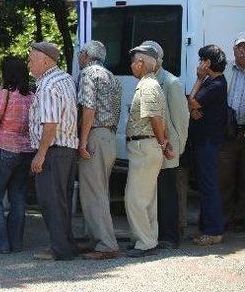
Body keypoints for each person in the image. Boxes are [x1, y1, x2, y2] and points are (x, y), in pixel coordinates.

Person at [27, 42, 78, 261]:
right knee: (62, 200)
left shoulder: (47, 85)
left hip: (53, 150)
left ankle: (60, 249)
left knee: (51, 201)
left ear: (45, 61)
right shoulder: (65, 79)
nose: (29, 64)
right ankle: (66, 245)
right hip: (66, 149)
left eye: (31, 59)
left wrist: (40, 153)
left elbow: (50, 123)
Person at [124, 44, 173, 258]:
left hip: (144, 146)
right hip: (147, 145)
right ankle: (148, 238)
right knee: (147, 197)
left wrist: (163, 143)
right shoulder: (151, 84)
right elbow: (160, 118)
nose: (131, 66)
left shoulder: (147, 86)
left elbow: (155, 118)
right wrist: (164, 142)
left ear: (141, 63)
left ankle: (144, 241)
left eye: (133, 62)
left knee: (134, 197)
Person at [76, 41, 122, 260]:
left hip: (95, 135)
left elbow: (89, 108)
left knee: (93, 192)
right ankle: (98, 238)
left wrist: (82, 141)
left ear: (85, 55)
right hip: (110, 136)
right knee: (101, 190)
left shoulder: (88, 74)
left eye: (80, 53)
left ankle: (105, 244)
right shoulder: (111, 76)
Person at [141, 41, 189, 249]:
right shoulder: (146, 80)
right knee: (153, 192)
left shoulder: (171, 82)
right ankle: (157, 233)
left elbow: (180, 120)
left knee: (167, 192)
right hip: (151, 147)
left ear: (156, 60)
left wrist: (177, 148)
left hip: (168, 148)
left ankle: (170, 236)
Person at [0, 56, 34, 254]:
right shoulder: (32, 96)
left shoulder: (3, 94)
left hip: (4, 149)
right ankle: (16, 243)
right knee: (18, 196)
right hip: (26, 151)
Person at [188, 44, 228, 246]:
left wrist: (198, 79)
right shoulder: (211, 82)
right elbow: (193, 103)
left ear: (207, 63)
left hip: (209, 142)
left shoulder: (216, 84)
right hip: (203, 140)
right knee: (204, 186)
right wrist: (193, 105)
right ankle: (206, 227)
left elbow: (193, 101)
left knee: (209, 186)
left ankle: (214, 230)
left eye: (202, 59)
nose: (199, 64)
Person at [219, 33, 245, 231]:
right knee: (225, 178)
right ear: (234, 50)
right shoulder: (225, 69)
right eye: (240, 47)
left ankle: (241, 220)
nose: (243, 51)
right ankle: (226, 220)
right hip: (228, 133)